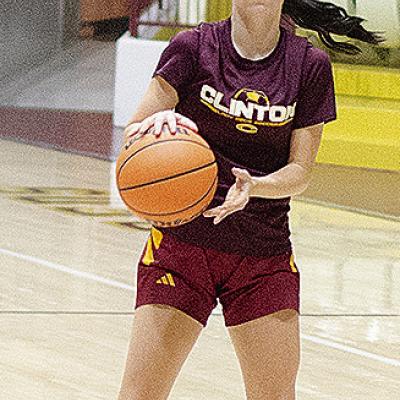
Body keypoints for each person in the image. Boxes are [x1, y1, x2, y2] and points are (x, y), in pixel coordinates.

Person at [118, 1, 382, 399]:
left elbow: (300, 172)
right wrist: (157, 125)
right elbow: (134, 132)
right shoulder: (193, 47)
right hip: (182, 247)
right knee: (140, 395)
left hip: (262, 254)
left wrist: (254, 187)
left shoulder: (308, 64)